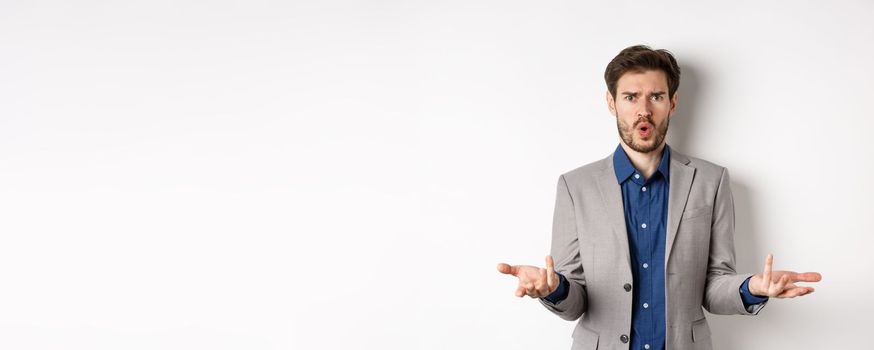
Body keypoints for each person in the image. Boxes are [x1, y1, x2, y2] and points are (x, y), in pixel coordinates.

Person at [496, 45, 822, 350]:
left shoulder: (712, 181)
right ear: (611, 103)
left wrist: (752, 288)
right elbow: (576, 302)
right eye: (630, 97)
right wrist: (553, 289)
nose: (643, 110)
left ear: (673, 102)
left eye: (656, 96)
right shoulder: (574, 186)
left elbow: (714, 286)